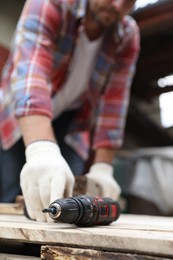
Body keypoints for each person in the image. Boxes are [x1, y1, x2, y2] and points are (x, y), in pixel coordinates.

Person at [0, 0, 140, 221]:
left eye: (129, 1)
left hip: (72, 122)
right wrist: (41, 150)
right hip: (21, 115)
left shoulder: (127, 35)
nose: (118, 6)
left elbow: (114, 100)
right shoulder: (50, 3)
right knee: (12, 193)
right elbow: (30, 74)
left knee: (70, 199)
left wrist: (103, 167)